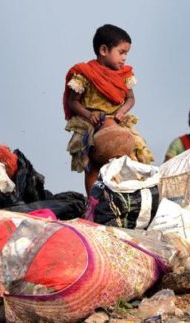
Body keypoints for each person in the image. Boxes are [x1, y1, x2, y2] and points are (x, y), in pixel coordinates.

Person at [63, 24, 154, 195]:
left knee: (133, 156)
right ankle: (92, 203)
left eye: (126, 53)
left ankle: (128, 198)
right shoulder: (84, 74)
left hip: (117, 120)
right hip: (91, 122)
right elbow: (72, 102)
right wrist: (89, 115)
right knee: (92, 165)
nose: (125, 58)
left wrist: (121, 112)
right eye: (121, 52)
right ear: (104, 50)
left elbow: (130, 98)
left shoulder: (124, 74)